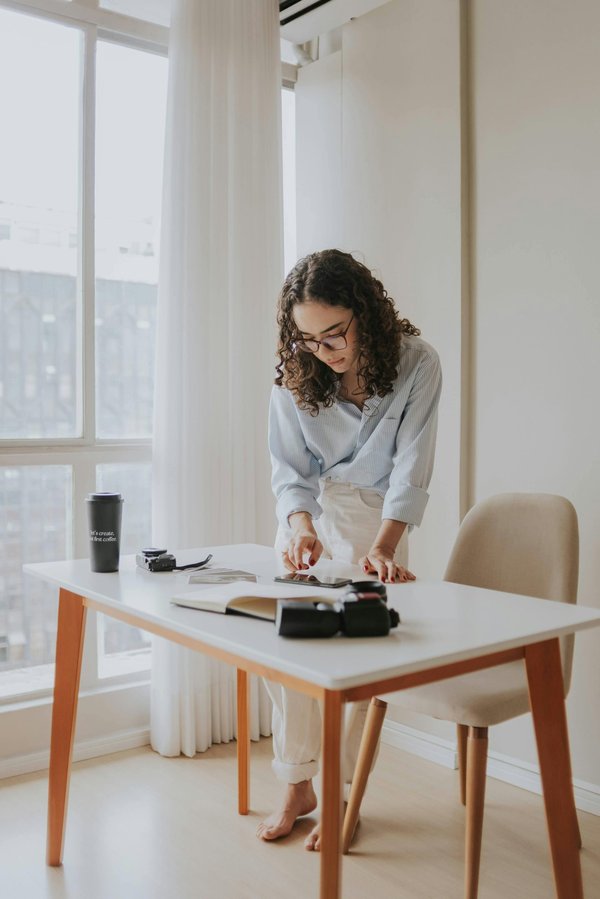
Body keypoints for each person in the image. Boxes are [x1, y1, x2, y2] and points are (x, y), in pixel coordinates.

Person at [256, 248, 442, 850]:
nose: (325, 350)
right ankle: (297, 785)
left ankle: (347, 795)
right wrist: (301, 527)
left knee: (362, 670)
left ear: (365, 312)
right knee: (283, 647)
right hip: (308, 521)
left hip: (377, 522)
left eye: (335, 333)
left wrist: (386, 548)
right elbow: (290, 472)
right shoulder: (295, 374)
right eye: (309, 338)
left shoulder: (418, 364)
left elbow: (412, 469)